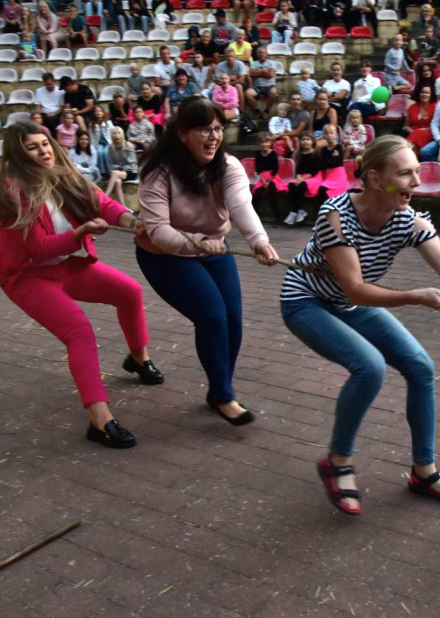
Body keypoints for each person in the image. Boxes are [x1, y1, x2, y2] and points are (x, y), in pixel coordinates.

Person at [280, 135, 440, 515]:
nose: (416, 182)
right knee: (368, 367)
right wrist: (415, 295)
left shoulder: (408, 219)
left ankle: (424, 471)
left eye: (417, 172)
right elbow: (355, 289)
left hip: (350, 302)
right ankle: (337, 462)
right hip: (307, 301)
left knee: (420, 366)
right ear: (374, 179)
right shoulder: (334, 215)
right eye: (404, 174)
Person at [0, 122, 162, 448]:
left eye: (45, 143)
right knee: (78, 331)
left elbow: (103, 204)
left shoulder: (64, 174)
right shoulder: (13, 192)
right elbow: (38, 248)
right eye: (32, 147)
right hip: (28, 277)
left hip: (69, 266)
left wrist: (132, 221)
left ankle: (139, 358)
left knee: (129, 292)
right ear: (17, 154)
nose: (43, 151)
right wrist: (80, 233)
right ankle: (99, 420)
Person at [136, 98, 279, 426]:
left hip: (214, 250)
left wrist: (259, 240)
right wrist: (199, 243)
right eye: (204, 129)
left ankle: (219, 388)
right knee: (213, 316)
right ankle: (224, 395)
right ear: (183, 134)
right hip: (165, 256)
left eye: (217, 128)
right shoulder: (158, 172)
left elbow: (241, 205)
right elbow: (158, 231)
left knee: (233, 319)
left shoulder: (227, 166)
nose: (213, 136)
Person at [286, 133, 321, 225]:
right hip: (302, 175)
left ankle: (295, 211)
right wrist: (298, 176)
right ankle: (298, 210)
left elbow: (315, 171)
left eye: (308, 139)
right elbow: (298, 169)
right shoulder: (299, 154)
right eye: (303, 140)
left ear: (312, 141)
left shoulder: (316, 153)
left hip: (313, 177)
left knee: (301, 185)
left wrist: (302, 179)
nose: (305, 142)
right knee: (291, 185)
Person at [252, 132, 287, 218]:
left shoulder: (273, 153)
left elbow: (275, 169)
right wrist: (263, 181)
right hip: (263, 177)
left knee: (272, 194)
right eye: (262, 142)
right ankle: (254, 216)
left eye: (267, 142)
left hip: (272, 177)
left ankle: (277, 217)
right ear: (259, 143)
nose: (264, 144)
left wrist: (268, 181)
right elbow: (258, 169)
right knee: (256, 194)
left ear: (270, 143)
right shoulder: (258, 154)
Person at [103, 126, 137, 207]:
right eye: (114, 133)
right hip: (119, 171)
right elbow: (111, 163)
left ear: (122, 135)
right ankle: (123, 206)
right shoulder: (111, 148)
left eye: (118, 133)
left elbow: (133, 162)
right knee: (117, 182)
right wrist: (118, 167)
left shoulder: (127, 145)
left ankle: (104, 197)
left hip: (131, 171)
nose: (116, 135)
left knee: (114, 173)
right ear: (112, 136)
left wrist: (122, 168)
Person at [246, 46, 279, 119]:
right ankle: (257, 110)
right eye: (260, 53)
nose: (261, 54)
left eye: (263, 53)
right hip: (257, 87)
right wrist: (263, 71)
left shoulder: (271, 63)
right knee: (248, 93)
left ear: (266, 54)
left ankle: (266, 111)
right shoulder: (253, 63)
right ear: (257, 55)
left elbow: (271, 75)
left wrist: (257, 72)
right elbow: (251, 74)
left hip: (270, 86)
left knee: (274, 92)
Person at [402, 84, 437, 154]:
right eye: (422, 92)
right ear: (419, 93)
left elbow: (437, 125)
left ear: (431, 94)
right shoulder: (412, 107)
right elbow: (406, 126)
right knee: (415, 140)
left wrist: (419, 131)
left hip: (429, 133)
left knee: (410, 145)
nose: (424, 94)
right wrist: (414, 132)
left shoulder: (435, 107)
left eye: (427, 93)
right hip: (414, 133)